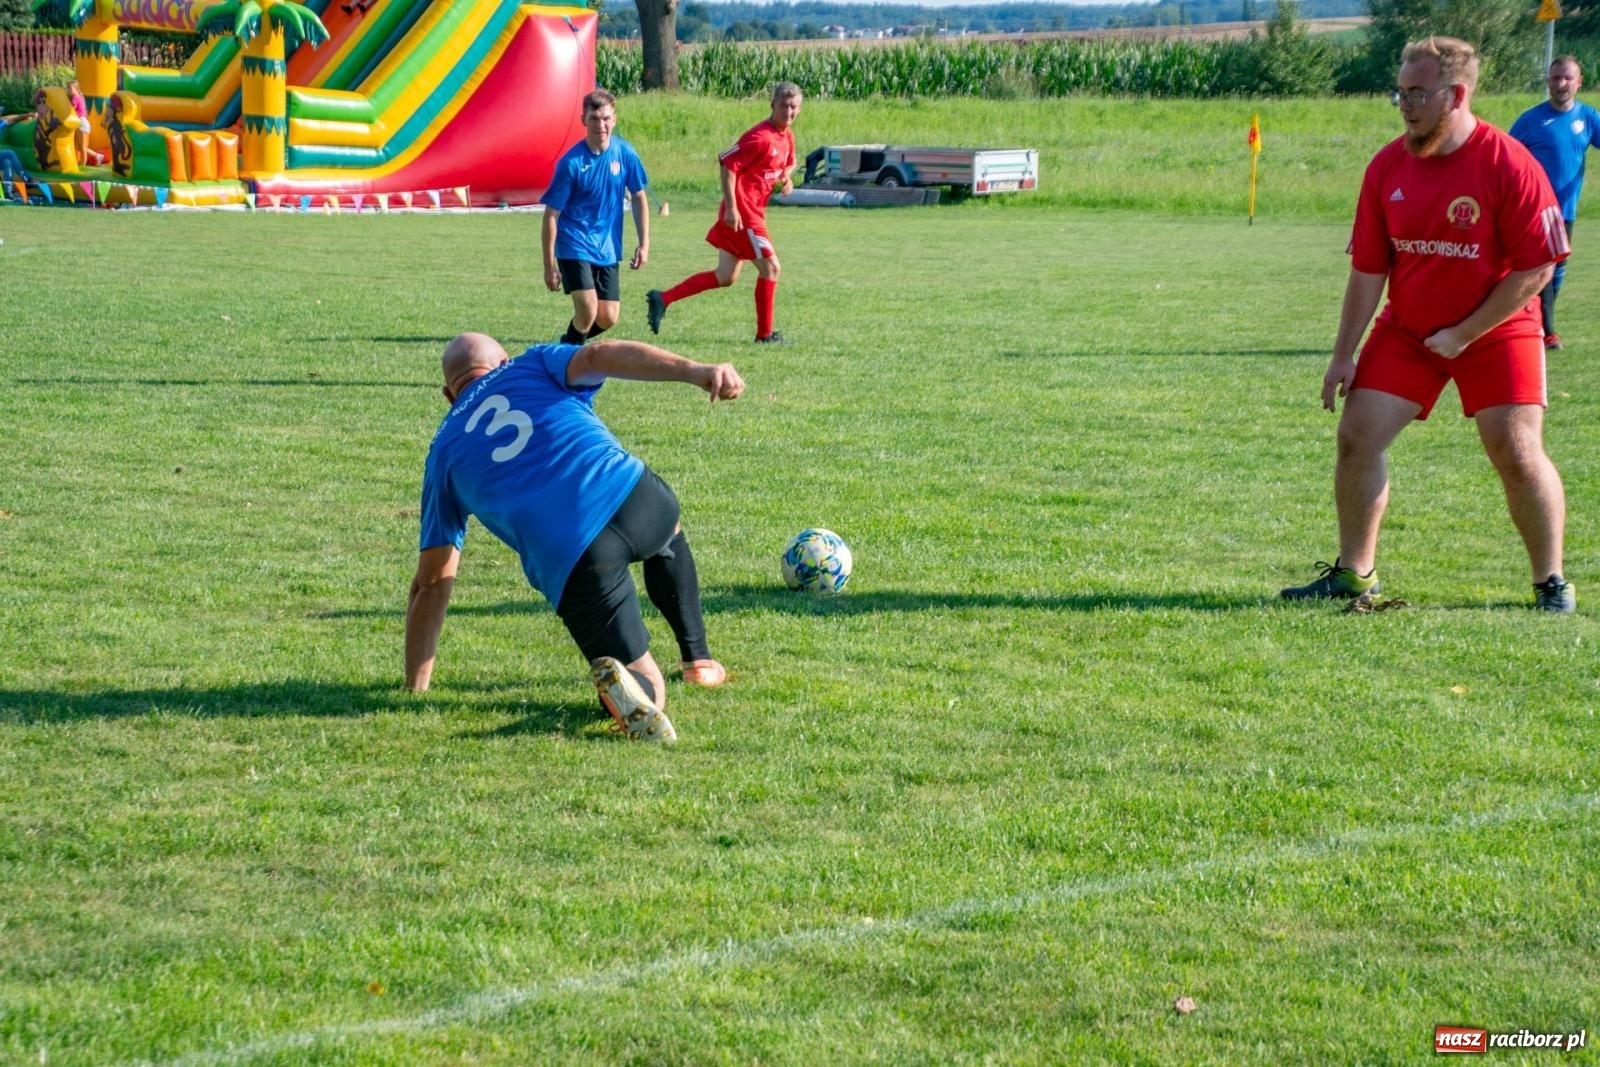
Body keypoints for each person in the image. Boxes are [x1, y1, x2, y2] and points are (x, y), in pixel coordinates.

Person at [1281, 36, 1577, 613]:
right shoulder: (1387, 165)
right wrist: (1343, 354)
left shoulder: (1509, 163)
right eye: (1400, 93)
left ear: (1456, 94)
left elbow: (1538, 266)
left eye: (1417, 94)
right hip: (1410, 330)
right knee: (1356, 436)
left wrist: (1465, 333)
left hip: (1499, 328)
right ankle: (1355, 575)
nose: (1405, 105)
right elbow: (1368, 270)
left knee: (1515, 449)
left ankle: (1551, 582)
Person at [405, 333, 744, 742]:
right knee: (667, 535)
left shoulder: (442, 453)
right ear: (502, 360)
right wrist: (696, 371)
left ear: (448, 395)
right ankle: (699, 661)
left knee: (645, 684)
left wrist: (414, 688)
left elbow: (433, 583)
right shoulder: (530, 363)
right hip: (631, 495)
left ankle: (636, 686)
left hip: (572, 555)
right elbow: (600, 353)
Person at [647, 82, 802, 344]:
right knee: (772, 268)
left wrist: (786, 177)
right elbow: (727, 163)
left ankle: (662, 299)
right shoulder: (760, 137)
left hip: (752, 212)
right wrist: (731, 207)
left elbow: (790, 162)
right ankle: (765, 336)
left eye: (794, 106)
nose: (789, 111)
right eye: (784, 105)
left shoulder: (786, 136)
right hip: (743, 213)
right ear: (772, 104)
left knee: (725, 276)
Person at [541, 89, 649, 346]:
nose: (601, 125)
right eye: (594, 119)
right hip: (574, 244)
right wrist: (548, 265)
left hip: (608, 247)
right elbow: (551, 215)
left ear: (615, 120)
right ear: (583, 120)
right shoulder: (571, 163)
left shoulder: (626, 154)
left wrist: (644, 244)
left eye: (606, 118)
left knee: (609, 317)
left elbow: (638, 197)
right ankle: (566, 362)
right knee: (588, 311)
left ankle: (564, 347)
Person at [1509, 55, 1600, 350]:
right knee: (1544, 267)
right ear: (1548, 81)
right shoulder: (1530, 120)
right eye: (1555, 78)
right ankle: (1548, 332)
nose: (1560, 84)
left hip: (1567, 210)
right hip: (1537, 211)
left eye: (1567, 78)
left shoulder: (1588, 117)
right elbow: (1506, 159)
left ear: (1579, 82)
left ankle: (1537, 322)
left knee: (1558, 268)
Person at [67, 79, 88, 159]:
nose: (68, 90)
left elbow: (71, 110)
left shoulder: (75, 97)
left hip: (81, 122)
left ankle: (83, 164)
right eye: (67, 88)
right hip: (81, 121)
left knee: (82, 147)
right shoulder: (79, 96)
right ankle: (97, 156)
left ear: (75, 88)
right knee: (79, 146)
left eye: (70, 88)